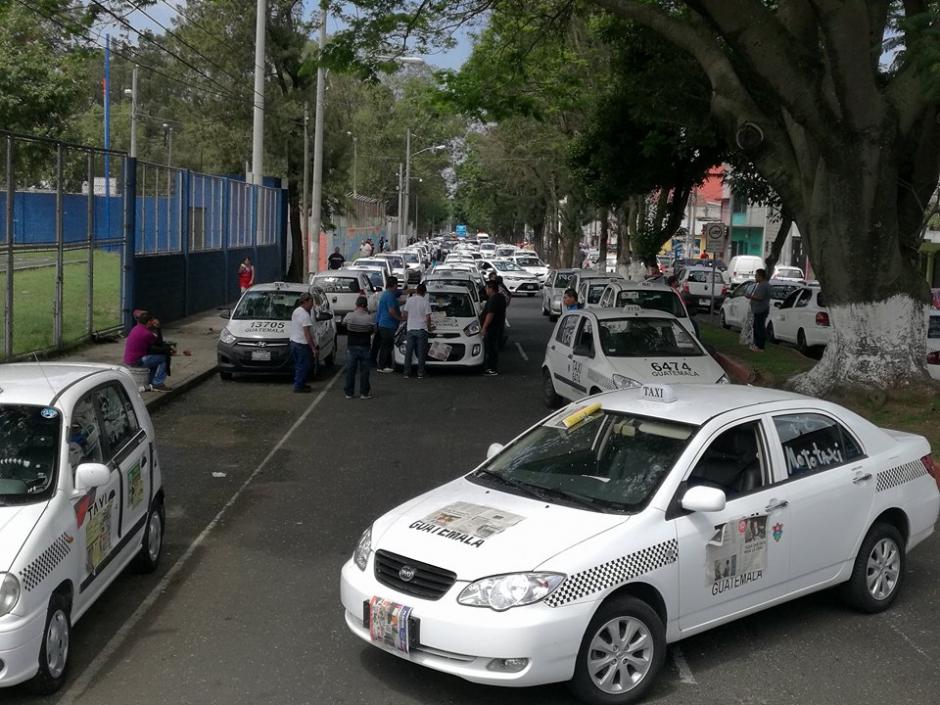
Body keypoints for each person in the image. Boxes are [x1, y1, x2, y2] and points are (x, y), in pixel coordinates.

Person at [123, 311, 171, 391]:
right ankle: (157, 383)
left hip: (130, 359)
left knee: (156, 358)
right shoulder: (146, 333)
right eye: (152, 321)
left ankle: (152, 381)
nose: (153, 322)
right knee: (164, 357)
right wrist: (158, 328)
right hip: (137, 361)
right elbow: (159, 343)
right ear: (149, 322)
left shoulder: (136, 328)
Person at [343, 296, 375, 399]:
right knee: (364, 371)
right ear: (365, 306)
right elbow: (373, 329)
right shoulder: (369, 318)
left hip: (352, 346)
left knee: (350, 370)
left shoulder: (350, 316)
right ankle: (364, 393)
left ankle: (349, 392)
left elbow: (344, 323)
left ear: (357, 305)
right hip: (365, 346)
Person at [402, 283, 433, 378]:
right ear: (424, 292)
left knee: (409, 352)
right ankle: (420, 373)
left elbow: (405, 313)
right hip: (421, 329)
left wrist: (410, 319)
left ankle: (406, 372)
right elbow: (428, 317)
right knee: (421, 352)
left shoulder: (410, 300)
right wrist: (430, 327)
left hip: (410, 329)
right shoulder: (425, 302)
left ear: (416, 291)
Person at [288, 292, 317, 393]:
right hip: (301, 344)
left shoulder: (297, 311)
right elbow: (307, 334)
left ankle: (301, 383)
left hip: (294, 341)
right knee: (304, 365)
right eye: (311, 302)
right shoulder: (305, 316)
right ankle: (299, 386)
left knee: (299, 365)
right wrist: (313, 348)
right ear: (305, 302)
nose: (312, 304)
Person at [375, 275, 402, 372]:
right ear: (394, 285)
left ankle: (387, 365)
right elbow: (391, 311)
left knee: (388, 345)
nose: (397, 287)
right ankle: (381, 366)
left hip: (385, 324)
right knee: (386, 346)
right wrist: (400, 318)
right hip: (388, 325)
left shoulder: (387, 294)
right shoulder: (390, 295)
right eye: (396, 285)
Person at [481, 280, 507, 377]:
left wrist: (484, 327)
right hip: (497, 327)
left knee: (490, 348)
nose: (486, 290)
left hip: (492, 328)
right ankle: (491, 367)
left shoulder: (494, 299)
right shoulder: (500, 298)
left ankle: (491, 368)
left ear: (491, 288)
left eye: (487, 288)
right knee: (493, 348)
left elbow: (490, 314)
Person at [746, 268, 771, 351]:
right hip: (758, 309)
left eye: (756, 276)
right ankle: (757, 344)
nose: (755, 277)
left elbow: (760, 297)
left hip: (761, 310)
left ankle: (760, 346)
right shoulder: (761, 284)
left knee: (759, 328)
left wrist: (750, 296)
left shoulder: (763, 285)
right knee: (756, 327)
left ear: (761, 276)